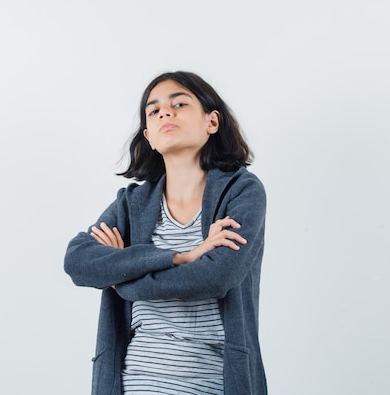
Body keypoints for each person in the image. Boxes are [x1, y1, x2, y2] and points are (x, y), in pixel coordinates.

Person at [64, 70, 267, 395]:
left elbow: (216, 277)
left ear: (211, 122)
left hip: (215, 383)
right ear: (149, 136)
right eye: (154, 110)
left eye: (180, 104)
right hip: (135, 384)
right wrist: (180, 256)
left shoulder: (242, 192)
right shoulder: (132, 203)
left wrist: (123, 281)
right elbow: (78, 261)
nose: (165, 113)